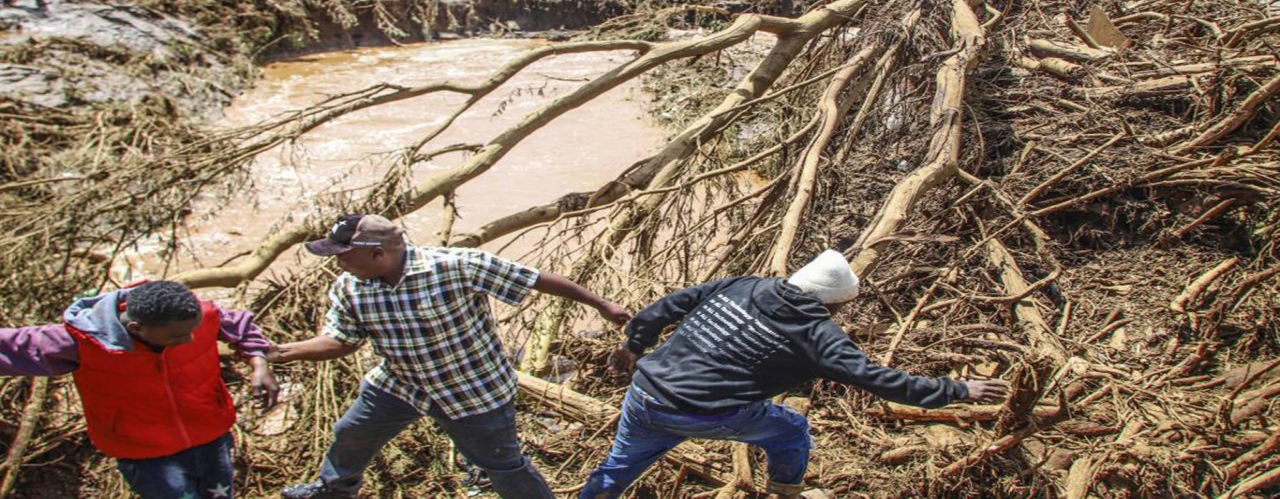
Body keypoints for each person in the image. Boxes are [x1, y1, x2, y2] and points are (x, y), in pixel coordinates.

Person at [580, 250, 1011, 498]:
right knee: (790, 430)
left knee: (619, 466)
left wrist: (633, 345)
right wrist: (956, 388)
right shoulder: (818, 336)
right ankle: (785, 493)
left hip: (645, 394)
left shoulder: (743, 285)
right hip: (704, 412)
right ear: (837, 305)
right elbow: (880, 380)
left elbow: (668, 306)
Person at [273, 214, 631, 499]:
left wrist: (601, 305)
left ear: (377, 254)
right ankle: (335, 488)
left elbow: (535, 279)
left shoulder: (455, 266)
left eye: (343, 256)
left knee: (503, 466)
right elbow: (343, 341)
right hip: (400, 384)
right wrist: (284, 352)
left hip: (473, 391)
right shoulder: (350, 286)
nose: (339, 264)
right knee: (351, 432)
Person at [0, 279, 280, 499]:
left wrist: (259, 363)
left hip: (211, 434)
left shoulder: (195, 314)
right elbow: (13, 347)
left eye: (193, 330)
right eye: (178, 336)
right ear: (137, 328)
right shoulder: (83, 342)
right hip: (146, 452)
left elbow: (240, 326)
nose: (190, 339)